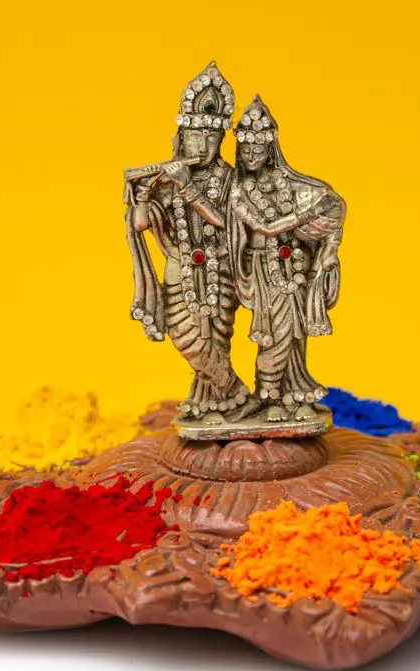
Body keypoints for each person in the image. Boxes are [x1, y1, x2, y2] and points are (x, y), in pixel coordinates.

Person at [124, 62, 256, 425]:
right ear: (183, 137)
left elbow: (232, 222)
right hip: (179, 269)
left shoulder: (231, 179)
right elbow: (143, 223)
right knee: (185, 338)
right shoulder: (166, 179)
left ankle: (219, 404)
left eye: (213, 137)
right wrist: (140, 197)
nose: (204, 145)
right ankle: (236, 394)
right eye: (197, 136)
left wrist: (188, 188)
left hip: (221, 270)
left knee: (216, 340)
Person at [229, 96, 345, 422]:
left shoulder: (288, 184)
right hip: (264, 270)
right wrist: (305, 214)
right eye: (246, 150)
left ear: (271, 150)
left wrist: (328, 245)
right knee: (277, 331)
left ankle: (295, 395)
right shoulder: (238, 192)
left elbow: (332, 208)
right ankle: (269, 396)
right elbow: (266, 228)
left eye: (258, 149)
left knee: (297, 333)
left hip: (294, 266)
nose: (252, 156)